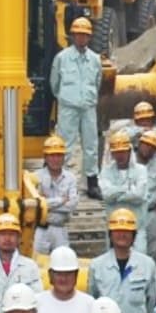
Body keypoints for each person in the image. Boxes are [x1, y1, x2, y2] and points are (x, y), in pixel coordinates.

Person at [88, 209, 156, 313]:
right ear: (110, 234)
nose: (122, 235)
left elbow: (150, 302)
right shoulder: (97, 266)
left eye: (127, 232)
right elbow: (92, 299)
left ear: (134, 235)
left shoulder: (147, 265)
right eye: (118, 231)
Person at [51, 16, 104, 197]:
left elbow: (97, 82)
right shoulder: (62, 58)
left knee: (91, 145)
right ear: (73, 36)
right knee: (65, 144)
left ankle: (92, 183)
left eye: (85, 35)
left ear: (89, 37)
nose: (82, 38)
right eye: (78, 35)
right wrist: (67, 98)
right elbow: (54, 84)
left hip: (88, 107)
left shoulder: (95, 60)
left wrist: (88, 98)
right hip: (68, 107)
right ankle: (61, 182)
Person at [98, 132, 148, 244]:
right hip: (114, 229)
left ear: (129, 151)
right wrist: (127, 188)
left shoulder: (141, 170)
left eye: (122, 152)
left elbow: (139, 195)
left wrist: (115, 193)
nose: (120, 155)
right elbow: (106, 196)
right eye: (116, 152)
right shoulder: (106, 171)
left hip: (137, 228)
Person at [35, 136, 79, 256]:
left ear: (64, 157)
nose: (56, 159)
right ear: (45, 157)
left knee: (63, 261)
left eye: (59, 155)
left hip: (61, 228)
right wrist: (61, 200)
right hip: (41, 229)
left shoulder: (70, 178)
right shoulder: (36, 177)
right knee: (37, 263)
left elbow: (71, 205)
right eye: (52, 155)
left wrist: (46, 203)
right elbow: (36, 205)